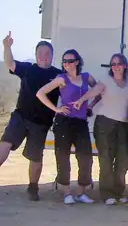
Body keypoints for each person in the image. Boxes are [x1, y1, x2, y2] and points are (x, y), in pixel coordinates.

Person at [0, 32, 61, 201]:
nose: (44, 56)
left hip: (41, 123)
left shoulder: (58, 75)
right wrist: (7, 47)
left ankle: (33, 188)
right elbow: (10, 63)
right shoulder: (28, 69)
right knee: (6, 142)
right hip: (21, 116)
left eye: (47, 54)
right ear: (36, 55)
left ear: (52, 56)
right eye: (41, 53)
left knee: (35, 156)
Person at [36, 49, 97, 205]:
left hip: (81, 121)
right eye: (64, 61)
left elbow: (100, 89)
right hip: (64, 121)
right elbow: (40, 93)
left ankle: (81, 192)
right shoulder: (61, 79)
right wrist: (56, 109)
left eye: (70, 61)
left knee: (85, 157)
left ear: (77, 62)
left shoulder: (86, 77)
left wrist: (89, 105)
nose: (67, 64)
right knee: (63, 157)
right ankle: (67, 192)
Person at [74, 53, 128, 206]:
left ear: (125, 66)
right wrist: (82, 101)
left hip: (123, 125)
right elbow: (94, 92)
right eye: (113, 64)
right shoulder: (106, 81)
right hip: (104, 124)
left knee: (123, 161)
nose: (116, 66)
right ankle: (107, 194)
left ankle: (119, 192)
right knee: (106, 159)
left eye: (119, 63)